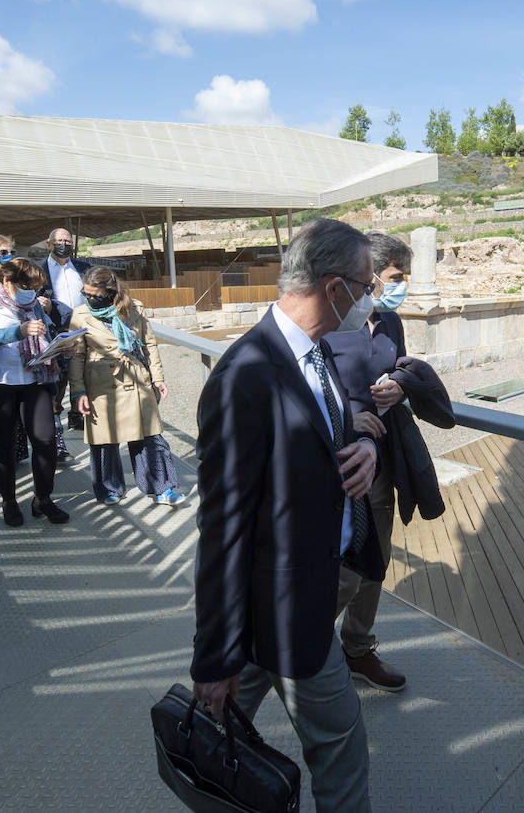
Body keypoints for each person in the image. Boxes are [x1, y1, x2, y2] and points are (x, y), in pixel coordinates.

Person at [192, 218, 383, 812]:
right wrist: (214, 656)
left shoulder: (315, 353)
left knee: (218, 725)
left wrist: (366, 450)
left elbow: (326, 432)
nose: (373, 295)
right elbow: (223, 529)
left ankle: (203, 768)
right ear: (335, 288)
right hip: (284, 603)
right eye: (367, 283)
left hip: (302, 587)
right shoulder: (244, 377)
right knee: (342, 742)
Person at [325, 231, 454, 693]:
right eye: (397, 277)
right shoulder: (333, 319)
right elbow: (307, 386)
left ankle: (357, 649)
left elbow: (398, 363)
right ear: (369, 275)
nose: (402, 285)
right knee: (338, 568)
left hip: (381, 459)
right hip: (335, 463)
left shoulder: (392, 321)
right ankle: (307, 649)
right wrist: (350, 416)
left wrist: (400, 383)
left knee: (375, 560)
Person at [0, 257, 69, 528]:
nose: (32, 292)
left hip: (37, 380)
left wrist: (62, 347)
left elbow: (47, 334)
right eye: (26, 285)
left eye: (36, 287)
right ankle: (8, 500)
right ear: (6, 281)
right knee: (3, 446)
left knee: (45, 441)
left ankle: (43, 498)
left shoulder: (34, 305)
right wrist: (15, 332)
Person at [67, 267, 182, 506]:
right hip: (100, 382)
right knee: (104, 440)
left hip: (136, 379)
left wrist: (158, 378)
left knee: (150, 435)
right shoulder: (79, 315)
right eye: (85, 294)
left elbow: (149, 344)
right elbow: (76, 356)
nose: (89, 299)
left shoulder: (135, 308)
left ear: (110, 293)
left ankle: (162, 487)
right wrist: (78, 392)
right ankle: (109, 488)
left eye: (95, 296)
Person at [40, 227, 90, 461]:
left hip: (83, 329)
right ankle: (57, 437)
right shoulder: (39, 269)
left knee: (82, 375)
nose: (64, 244)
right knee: (57, 382)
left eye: (67, 240)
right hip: (55, 332)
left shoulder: (82, 268)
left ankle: (77, 416)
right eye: (59, 240)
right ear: (49, 244)